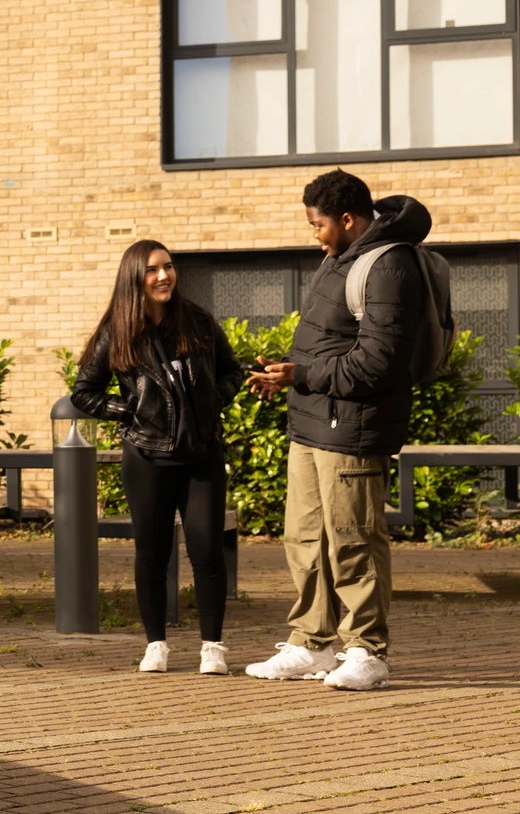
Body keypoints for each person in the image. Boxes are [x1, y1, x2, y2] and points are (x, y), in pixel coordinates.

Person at [243, 171, 430, 692]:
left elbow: (380, 363)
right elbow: (332, 345)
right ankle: (311, 643)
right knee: (304, 537)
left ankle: (368, 652)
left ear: (347, 220)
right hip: (312, 423)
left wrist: (300, 375)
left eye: (317, 225)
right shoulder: (339, 259)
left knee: (354, 541)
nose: (314, 234)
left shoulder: (389, 264)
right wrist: (288, 373)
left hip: (353, 429)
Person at [73, 240, 242, 675]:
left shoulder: (199, 321)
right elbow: (84, 392)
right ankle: (156, 645)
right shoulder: (117, 331)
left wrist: (212, 402)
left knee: (206, 551)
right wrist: (127, 410)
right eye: (152, 270)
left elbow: (231, 371)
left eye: (168, 267)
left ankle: (212, 648)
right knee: (152, 552)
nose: (164, 276)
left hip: (201, 453)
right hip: (146, 455)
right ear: (135, 278)